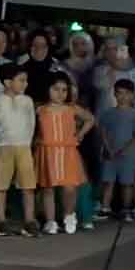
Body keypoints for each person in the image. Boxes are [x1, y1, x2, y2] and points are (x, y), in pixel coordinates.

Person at [34, 76, 94, 234]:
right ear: (47, 89)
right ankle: (50, 221)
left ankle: (69, 215)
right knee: (48, 188)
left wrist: (80, 134)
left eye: (64, 90)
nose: (60, 93)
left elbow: (90, 119)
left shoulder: (71, 108)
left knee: (70, 187)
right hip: (47, 151)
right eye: (56, 89)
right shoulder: (40, 109)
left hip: (67, 151)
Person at [0, 64, 38, 237]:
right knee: (1, 185)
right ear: (7, 82)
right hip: (3, 147)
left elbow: (31, 123)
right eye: (21, 80)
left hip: (23, 146)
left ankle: (29, 221)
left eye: (26, 80)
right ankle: (1, 221)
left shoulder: (27, 101)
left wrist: (27, 142)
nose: (25, 84)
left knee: (28, 185)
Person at [98, 78, 135, 220]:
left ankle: (126, 210)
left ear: (133, 95)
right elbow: (103, 132)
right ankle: (105, 208)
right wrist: (108, 148)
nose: (123, 96)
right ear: (114, 94)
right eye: (119, 93)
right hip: (110, 154)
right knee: (108, 181)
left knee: (127, 183)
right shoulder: (108, 113)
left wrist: (125, 150)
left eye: (127, 93)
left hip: (128, 155)